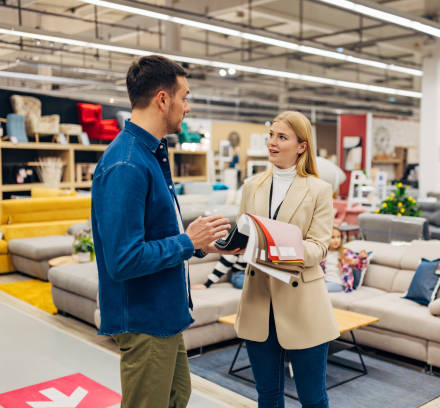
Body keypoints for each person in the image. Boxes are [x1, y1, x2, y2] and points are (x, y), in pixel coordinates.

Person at [91, 55, 235, 408]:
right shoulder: (126, 163)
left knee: (176, 397)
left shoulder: (150, 153)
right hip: (145, 319)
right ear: (162, 99)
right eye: (184, 97)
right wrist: (187, 241)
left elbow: (155, 235)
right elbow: (123, 260)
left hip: (163, 315)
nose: (187, 107)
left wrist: (200, 245)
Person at [234, 111, 339, 407]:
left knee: (312, 397)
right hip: (258, 303)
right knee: (267, 394)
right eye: (271, 135)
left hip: (302, 304)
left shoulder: (319, 190)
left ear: (302, 146)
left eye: (282, 137)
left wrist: (279, 248)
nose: (272, 142)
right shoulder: (252, 186)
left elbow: (318, 247)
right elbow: (243, 231)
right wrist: (231, 243)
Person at [320, 226, 369, 292]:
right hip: (325, 280)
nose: (336, 240)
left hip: (339, 283)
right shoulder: (324, 253)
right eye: (333, 237)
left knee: (319, 290)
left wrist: (362, 258)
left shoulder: (345, 252)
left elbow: (359, 266)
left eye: (338, 237)